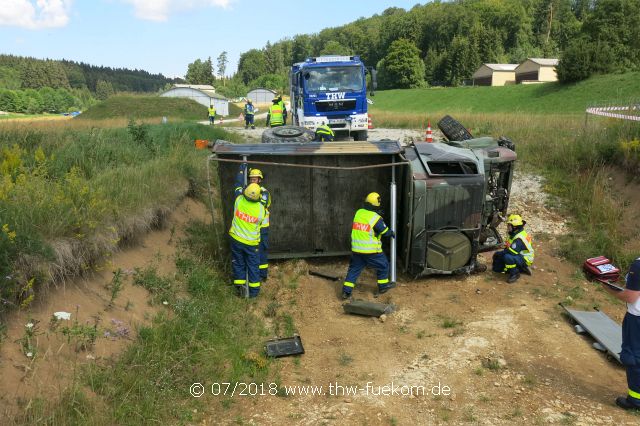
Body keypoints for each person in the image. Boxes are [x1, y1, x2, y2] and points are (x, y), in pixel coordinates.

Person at [602, 258, 640, 411]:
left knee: (633, 357)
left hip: (637, 319)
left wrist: (608, 288)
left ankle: (635, 401)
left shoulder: (638, 265)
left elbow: (630, 297)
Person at [342, 192, 395, 299]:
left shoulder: (359, 213)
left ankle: (346, 292)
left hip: (357, 249)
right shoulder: (375, 218)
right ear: (377, 206)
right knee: (383, 265)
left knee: (354, 269)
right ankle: (383, 286)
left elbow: (365, 227)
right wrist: (391, 233)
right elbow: (385, 232)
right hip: (371, 251)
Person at [229, 163, 267, 298]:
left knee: (238, 263)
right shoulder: (261, 209)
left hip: (236, 240)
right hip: (251, 244)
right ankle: (254, 294)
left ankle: (240, 288)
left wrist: (241, 169)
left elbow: (238, 185)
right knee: (253, 267)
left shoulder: (238, 200)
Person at [492, 214, 534, 283]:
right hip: (517, 255)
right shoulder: (514, 234)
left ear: (515, 227)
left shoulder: (519, 238)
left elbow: (512, 252)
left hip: (525, 258)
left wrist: (501, 253)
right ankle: (520, 268)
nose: (507, 227)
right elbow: (508, 247)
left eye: (509, 225)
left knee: (507, 257)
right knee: (497, 268)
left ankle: (515, 273)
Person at [247, 167, 271, 281]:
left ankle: (262, 275)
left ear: (259, 180)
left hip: (262, 227)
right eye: (251, 179)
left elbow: (261, 205)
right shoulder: (248, 191)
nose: (252, 181)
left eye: (255, 179)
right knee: (252, 251)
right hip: (251, 227)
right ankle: (254, 274)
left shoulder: (264, 192)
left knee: (261, 250)